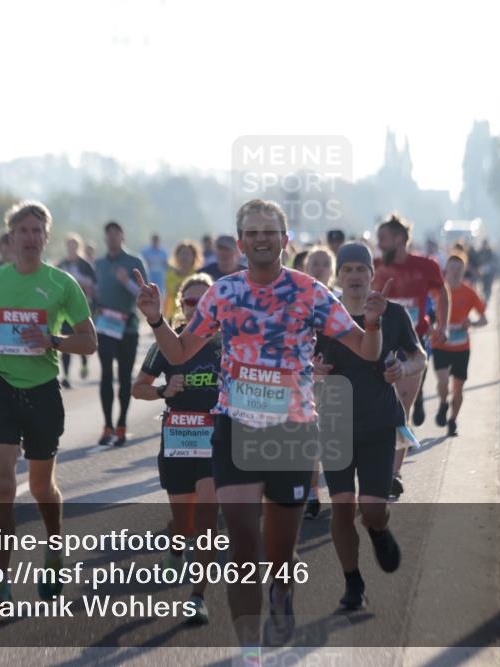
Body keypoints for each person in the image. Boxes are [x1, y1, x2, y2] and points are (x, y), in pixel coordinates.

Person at [134, 199, 387, 659]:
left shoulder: (310, 292)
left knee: (278, 555)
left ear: (285, 240)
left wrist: (371, 322)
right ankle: (250, 653)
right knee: (243, 549)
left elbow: (367, 352)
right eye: (251, 232)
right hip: (234, 427)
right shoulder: (224, 293)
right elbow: (180, 352)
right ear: (241, 242)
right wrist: (154, 318)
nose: (261, 238)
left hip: (291, 432)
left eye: (269, 231)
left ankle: (283, 589)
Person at [0, 200, 97, 610]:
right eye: (23, 230)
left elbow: (90, 342)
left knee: (40, 486)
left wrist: (53, 340)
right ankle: (0, 583)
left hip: (42, 391)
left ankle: (54, 547)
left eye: (38, 231)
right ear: (11, 237)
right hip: (0, 387)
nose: (31, 237)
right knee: (3, 485)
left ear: (47, 237)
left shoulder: (62, 284)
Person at [316, 243, 424, 609]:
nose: (355, 276)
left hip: (378, 422)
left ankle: (378, 528)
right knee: (343, 508)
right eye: (347, 270)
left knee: (372, 507)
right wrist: (312, 371)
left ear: (371, 274)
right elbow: (298, 358)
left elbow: (418, 356)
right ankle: (353, 583)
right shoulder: (323, 314)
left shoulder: (392, 314)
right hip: (334, 424)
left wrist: (404, 370)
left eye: (361, 269)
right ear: (339, 276)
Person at [132, 273, 220, 625]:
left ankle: (197, 597)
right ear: (181, 306)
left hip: (216, 441)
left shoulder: (226, 342)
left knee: (207, 521)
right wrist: (164, 392)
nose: (197, 308)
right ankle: (175, 540)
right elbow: (138, 388)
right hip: (179, 441)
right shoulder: (168, 344)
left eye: (204, 303)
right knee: (185, 524)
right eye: (190, 302)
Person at [373, 213, 448, 500]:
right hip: (377, 343)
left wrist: (442, 323)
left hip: (411, 343)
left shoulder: (425, 266)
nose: (380, 245)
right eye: (378, 240)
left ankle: (393, 474)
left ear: (401, 239)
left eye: (384, 240)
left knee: (401, 407)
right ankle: (376, 463)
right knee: (376, 406)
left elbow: (442, 295)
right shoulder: (375, 266)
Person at [94, 221, 148, 446]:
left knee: (125, 377)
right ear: (105, 238)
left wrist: (127, 282)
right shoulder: (98, 264)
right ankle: (107, 425)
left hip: (127, 327)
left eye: (117, 234)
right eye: (109, 234)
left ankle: (122, 423)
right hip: (105, 326)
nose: (113, 238)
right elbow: (94, 293)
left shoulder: (134, 262)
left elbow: (145, 294)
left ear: (123, 237)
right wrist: (93, 300)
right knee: (106, 373)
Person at [432, 252, 487, 436]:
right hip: (440, 343)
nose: (455, 272)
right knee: (442, 381)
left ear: (464, 271)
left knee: (458, 388)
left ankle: (453, 421)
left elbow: (484, 319)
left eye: (459, 269)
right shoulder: (437, 290)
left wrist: (471, 323)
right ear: (446, 270)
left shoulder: (469, 292)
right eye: (452, 269)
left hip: (461, 346)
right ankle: (442, 403)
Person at [301, 246, 337, 519]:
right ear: (305, 267)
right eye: (314, 262)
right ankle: (313, 493)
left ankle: (344, 493)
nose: (319, 268)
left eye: (325, 263)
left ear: (332, 271)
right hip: (304, 381)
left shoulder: (340, 302)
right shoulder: (296, 301)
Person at [57, 233, 97, 388]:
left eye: (74, 245)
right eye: (69, 245)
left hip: (82, 308)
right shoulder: (62, 264)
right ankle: (65, 376)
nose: (71, 248)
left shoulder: (85, 265)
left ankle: (84, 363)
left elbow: (94, 285)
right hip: (65, 310)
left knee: (82, 338)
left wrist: (79, 279)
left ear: (78, 247)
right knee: (64, 340)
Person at [163, 240, 203, 320]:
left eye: (187, 254)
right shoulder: (170, 276)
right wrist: (164, 317)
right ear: (176, 256)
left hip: (193, 317)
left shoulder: (199, 275)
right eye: (182, 254)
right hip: (174, 317)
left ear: (194, 257)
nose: (184, 257)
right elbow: (168, 297)